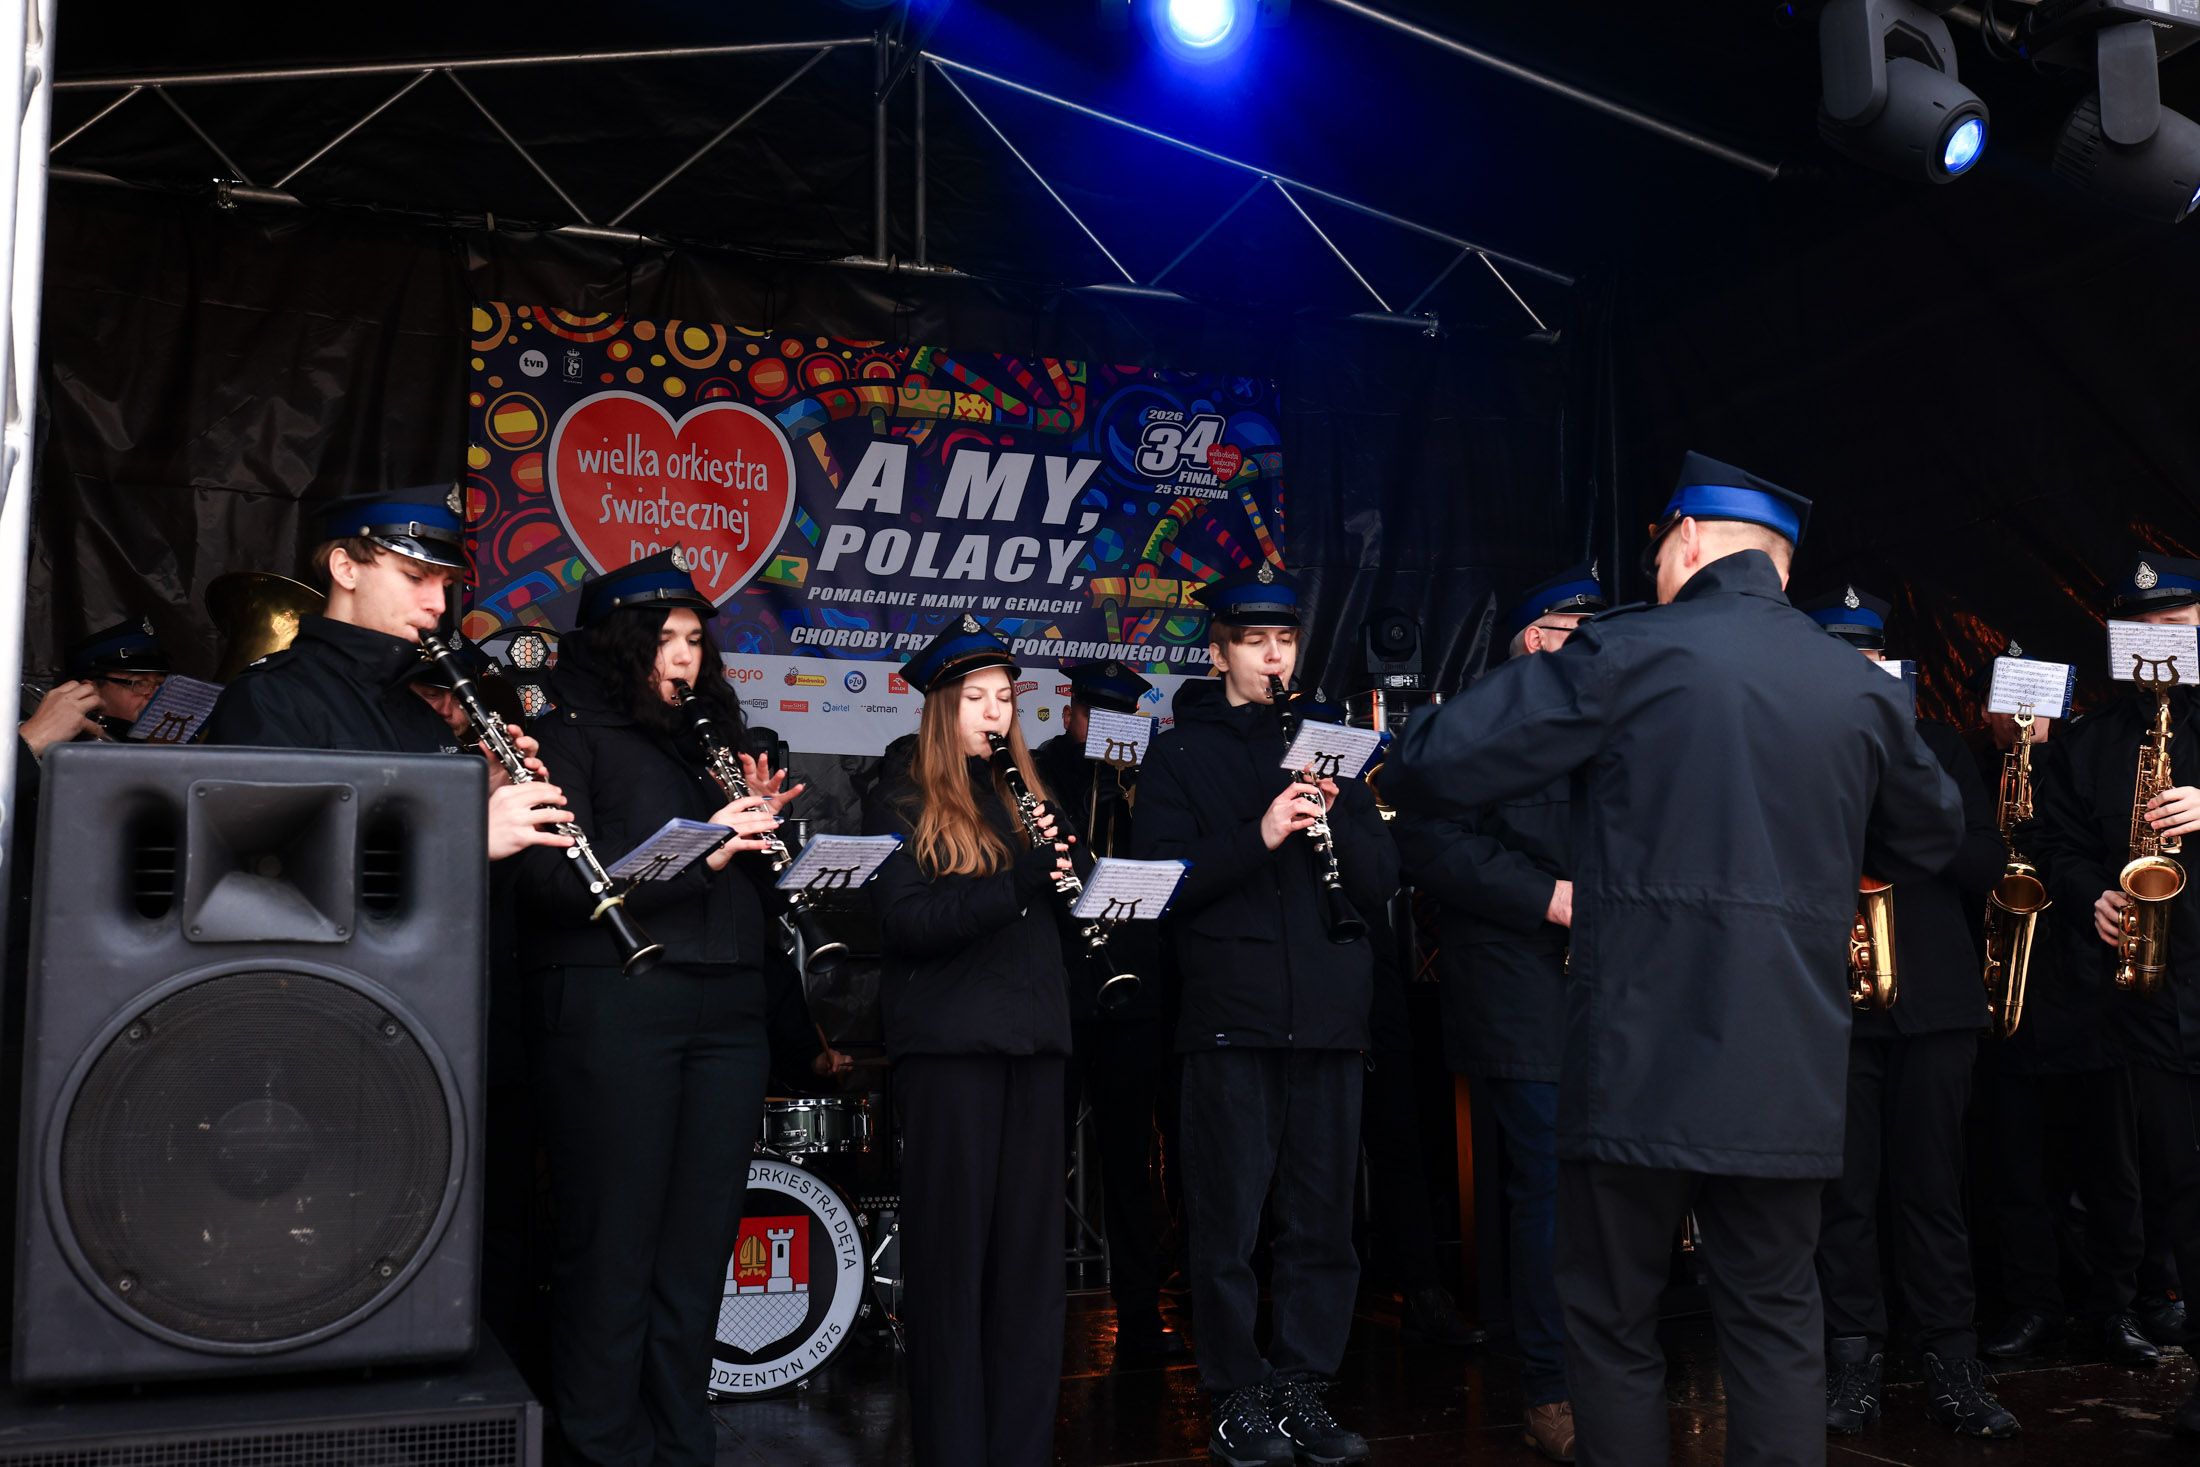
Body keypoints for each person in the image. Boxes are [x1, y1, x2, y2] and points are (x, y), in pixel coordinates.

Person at [1387, 453, 1964, 1467]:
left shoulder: (1627, 650)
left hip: (1635, 1057)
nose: (1653, 568)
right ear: (1782, 567)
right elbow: (1931, 834)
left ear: (1687, 538)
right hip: (1784, 1059)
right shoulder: (1854, 683)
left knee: (1611, 1319)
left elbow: (1432, 762)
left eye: (1657, 550)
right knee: (1777, 1319)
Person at [511, 549, 799, 1467]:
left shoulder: (711, 734)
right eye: (664, 639)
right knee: (614, 1239)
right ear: (619, 644)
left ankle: (682, 1439)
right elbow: (551, 886)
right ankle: (602, 1442)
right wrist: (706, 851)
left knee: (698, 1242)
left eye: (694, 640)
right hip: (617, 1004)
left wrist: (759, 823)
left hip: (727, 1007)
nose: (683, 656)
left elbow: (746, 886)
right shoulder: (566, 730)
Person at [1132, 565, 1399, 1467]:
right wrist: (1262, 832)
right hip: (1230, 1017)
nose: (1274, 656)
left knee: (1323, 1225)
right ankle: (1236, 1393)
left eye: (1285, 640)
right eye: (1255, 642)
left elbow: (1380, 882)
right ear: (1220, 653)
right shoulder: (1178, 755)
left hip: (1329, 1015)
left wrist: (1339, 811)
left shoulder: (1329, 748)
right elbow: (1160, 883)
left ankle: (1302, 1387)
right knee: (1228, 1224)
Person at [1393, 559, 1608, 1463]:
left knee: (1611, 1185)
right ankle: (1551, 1388)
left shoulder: (1610, 717)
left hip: (1611, 985)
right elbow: (1428, 841)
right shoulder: (1477, 720)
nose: (1591, 650)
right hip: (1519, 983)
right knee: (1549, 1186)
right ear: (1532, 642)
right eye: (1573, 635)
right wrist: (1546, 897)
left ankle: (1607, 1374)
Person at [1794, 587, 2017, 1439]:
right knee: (1844, 1192)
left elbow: (1985, 861)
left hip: (1934, 1003)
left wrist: (1899, 807)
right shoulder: (1787, 750)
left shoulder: (1938, 746)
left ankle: (1952, 1362)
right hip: (1829, 1000)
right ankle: (1853, 1360)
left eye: (1870, 655)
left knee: (1932, 1189)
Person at [863, 615, 1075, 1467]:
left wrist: (1082, 889)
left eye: (1005, 698)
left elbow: (1054, 913)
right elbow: (907, 923)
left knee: (1030, 1271)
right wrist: (1017, 883)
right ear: (941, 709)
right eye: (975, 698)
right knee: (951, 1268)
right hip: (951, 1052)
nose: (995, 712)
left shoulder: (1030, 795)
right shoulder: (900, 795)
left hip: (1034, 1044)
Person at [2030, 551, 2200, 1435]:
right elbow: (2055, 846)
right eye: (2142, 630)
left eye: (2178, 626)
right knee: (2182, 1188)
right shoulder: (2090, 740)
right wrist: (2088, 892)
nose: (2159, 642)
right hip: (2151, 998)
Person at [1973, 639, 2162, 1368]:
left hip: (2094, 997)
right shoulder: (1968, 771)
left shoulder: (2090, 757)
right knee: (2018, 1169)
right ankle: (2034, 1305)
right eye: (2007, 697)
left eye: (2039, 697)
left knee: (2113, 1170)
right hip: (2013, 1001)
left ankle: (2117, 1306)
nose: (2023, 712)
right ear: (1982, 711)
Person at [201, 491, 570, 861]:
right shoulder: (269, 697)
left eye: (444, 585)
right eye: (415, 577)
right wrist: (468, 840)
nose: (438, 605)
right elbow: (266, 864)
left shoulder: (419, 711)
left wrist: (483, 793)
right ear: (346, 569)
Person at [1033, 658, 1188, 1364]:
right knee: (1042, 1160)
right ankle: (1031, 1317)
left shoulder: (1154, 778)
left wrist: (1131, 787)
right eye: (1093, 717)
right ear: (1070, 715)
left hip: (1133, 993)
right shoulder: (1038, 771)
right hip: (1061, 991)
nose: (1104, 732)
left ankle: (1140, 1315)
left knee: (1130, 1162)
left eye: (1120, 722)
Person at [19, 618, 170, 755]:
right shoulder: (69, 753)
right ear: (89, 692)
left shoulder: (170, 742)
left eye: (160, 684)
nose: (156, 695)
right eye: (140, 683)